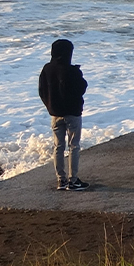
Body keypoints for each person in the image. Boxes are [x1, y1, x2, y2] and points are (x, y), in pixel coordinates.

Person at [38, 39, 89, 191]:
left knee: (58, 146)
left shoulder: (46, 69)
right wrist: (78, 72)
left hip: (55, 113)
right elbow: (81, 88)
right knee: (74, 146)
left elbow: (41, 91)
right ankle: (73, 181)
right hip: (72, 113)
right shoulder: (71, 70)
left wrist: (49, 105)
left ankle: (61, 180)